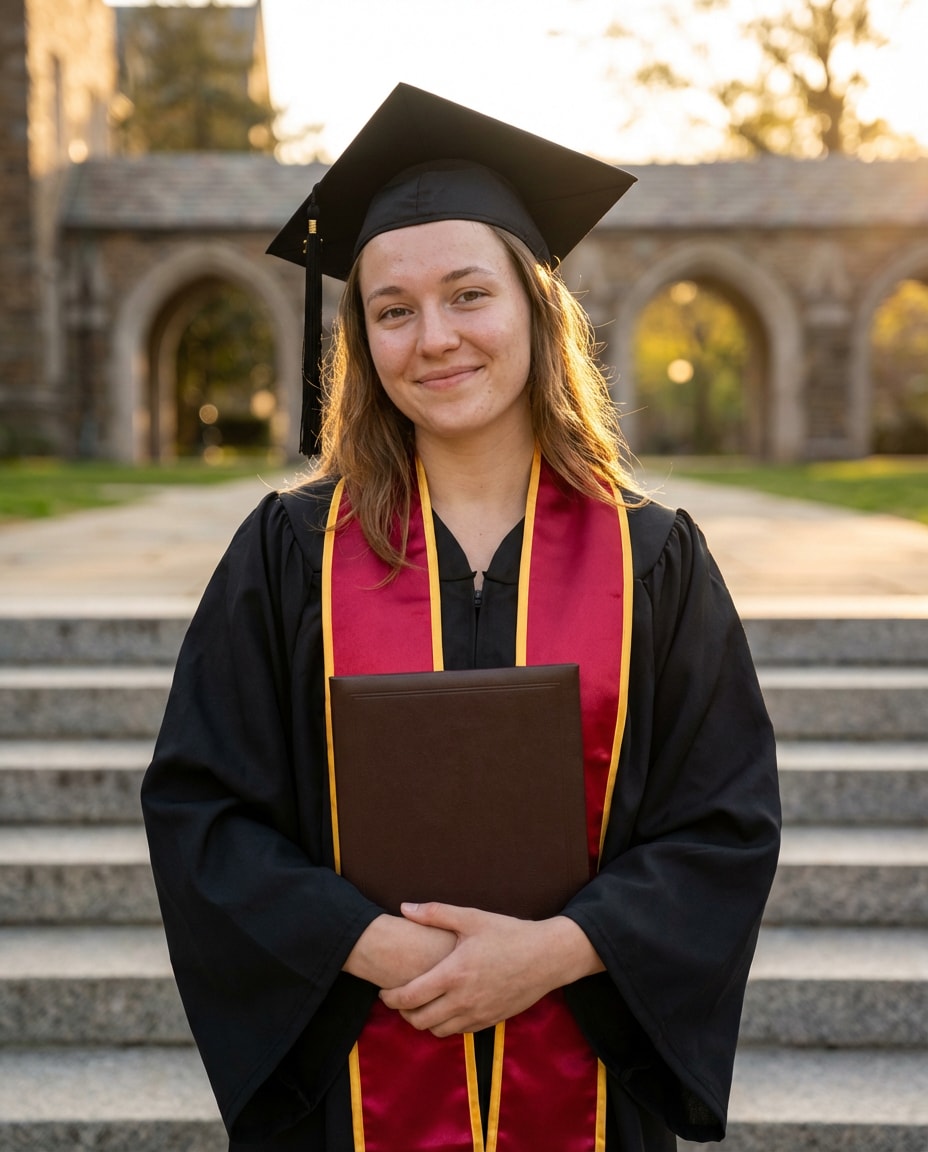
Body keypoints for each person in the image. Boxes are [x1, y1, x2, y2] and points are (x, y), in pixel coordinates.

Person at [142, 84, 780, 1152]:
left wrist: (561, 950)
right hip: (352, 1085)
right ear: (363, 340)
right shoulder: (288, 553)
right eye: (392, 310)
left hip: (581, 1078)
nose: (433, 338)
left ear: (536, 306)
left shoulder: (654, 556)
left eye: (467, 295)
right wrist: (375, 947)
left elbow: (723, 822)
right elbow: (203, 813)